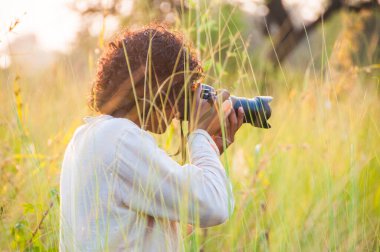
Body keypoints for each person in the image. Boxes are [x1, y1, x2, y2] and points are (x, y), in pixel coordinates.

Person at [59, 25, 244, 251]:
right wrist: (199, 135)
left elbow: (169, 224)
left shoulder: (87, 137)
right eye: (177, 92)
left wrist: (208, 152)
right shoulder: (120, 138)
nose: (177, 110)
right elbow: (215, 207)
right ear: (154, 88)